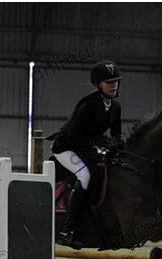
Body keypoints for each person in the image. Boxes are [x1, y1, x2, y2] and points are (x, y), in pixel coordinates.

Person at [51, 60, 122, 246]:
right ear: (98, 84)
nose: (113, 85)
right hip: (66, 147)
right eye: (109, 82)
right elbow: (74, 136)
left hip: (87, 147)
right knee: (84, 175)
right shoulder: (88, 104)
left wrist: (115, 145)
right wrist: (98, 145)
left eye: (116, 81)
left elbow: (116, 134)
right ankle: (67, 230)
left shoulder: (115, 107)